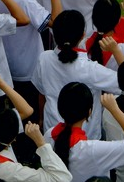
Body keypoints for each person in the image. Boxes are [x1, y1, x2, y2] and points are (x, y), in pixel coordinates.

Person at [32, 10, 119, 140]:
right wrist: (116, 51)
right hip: (84, 138)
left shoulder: (44, 58)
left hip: (51, 131)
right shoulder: (90, 69)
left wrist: (41, 119)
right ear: (83, 35)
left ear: (55, 35)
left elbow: (42, 94)